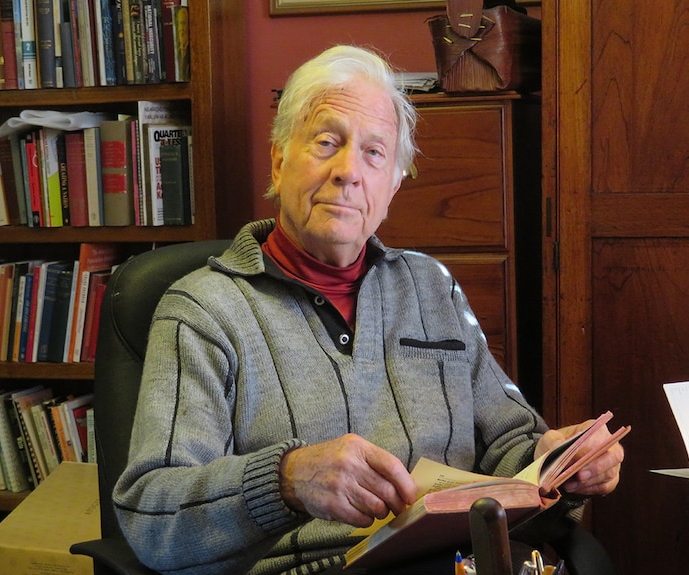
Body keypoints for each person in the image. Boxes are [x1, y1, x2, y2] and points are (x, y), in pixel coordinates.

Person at [113, 45, 624, 575]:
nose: (347, 171)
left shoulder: (431, 288)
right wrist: (284, 481)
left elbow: (507, 443)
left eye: (374, 153)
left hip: (461, 561)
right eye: (326, 141)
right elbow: (151, 519)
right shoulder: (203, 310)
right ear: (279, 158)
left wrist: (559, 461)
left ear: (393, 186)